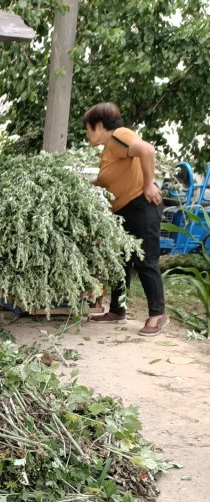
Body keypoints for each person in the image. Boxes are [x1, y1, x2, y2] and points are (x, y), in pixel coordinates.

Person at [83, 103, 168, 336]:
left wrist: (149, 184)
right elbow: (111, 179)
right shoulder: (110, 149)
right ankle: (117, 310)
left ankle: (158, 314)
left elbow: (147, 151)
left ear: (99, 126)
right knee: (119, 262)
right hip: (124, 212)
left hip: (141, 205)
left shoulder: (120, 135)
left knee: (145, 260)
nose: (87, 134)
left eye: (88, 129)